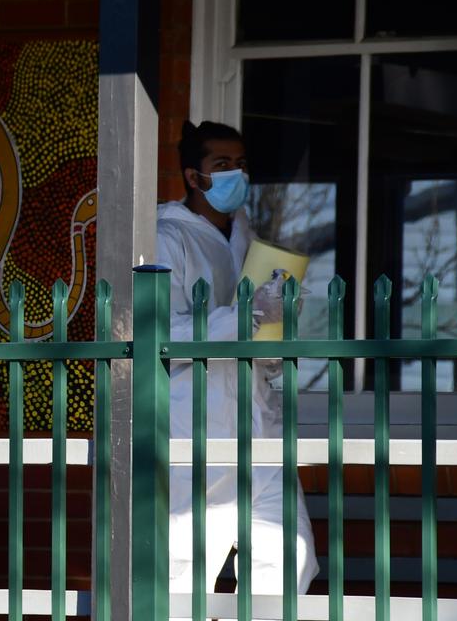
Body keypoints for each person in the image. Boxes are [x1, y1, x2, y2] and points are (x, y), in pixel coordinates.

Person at [155, 121, 318, 607]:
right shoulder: (169, 237)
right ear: (193, 176)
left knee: (288, 553)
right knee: (184, 563)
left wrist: (278, 320)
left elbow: (263, 351)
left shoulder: (249, 239)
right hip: (194, 426)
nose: (235, 175)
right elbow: (161, 336)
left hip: (256, 424)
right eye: (220, 165)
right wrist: (245, 317)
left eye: (241, 164)